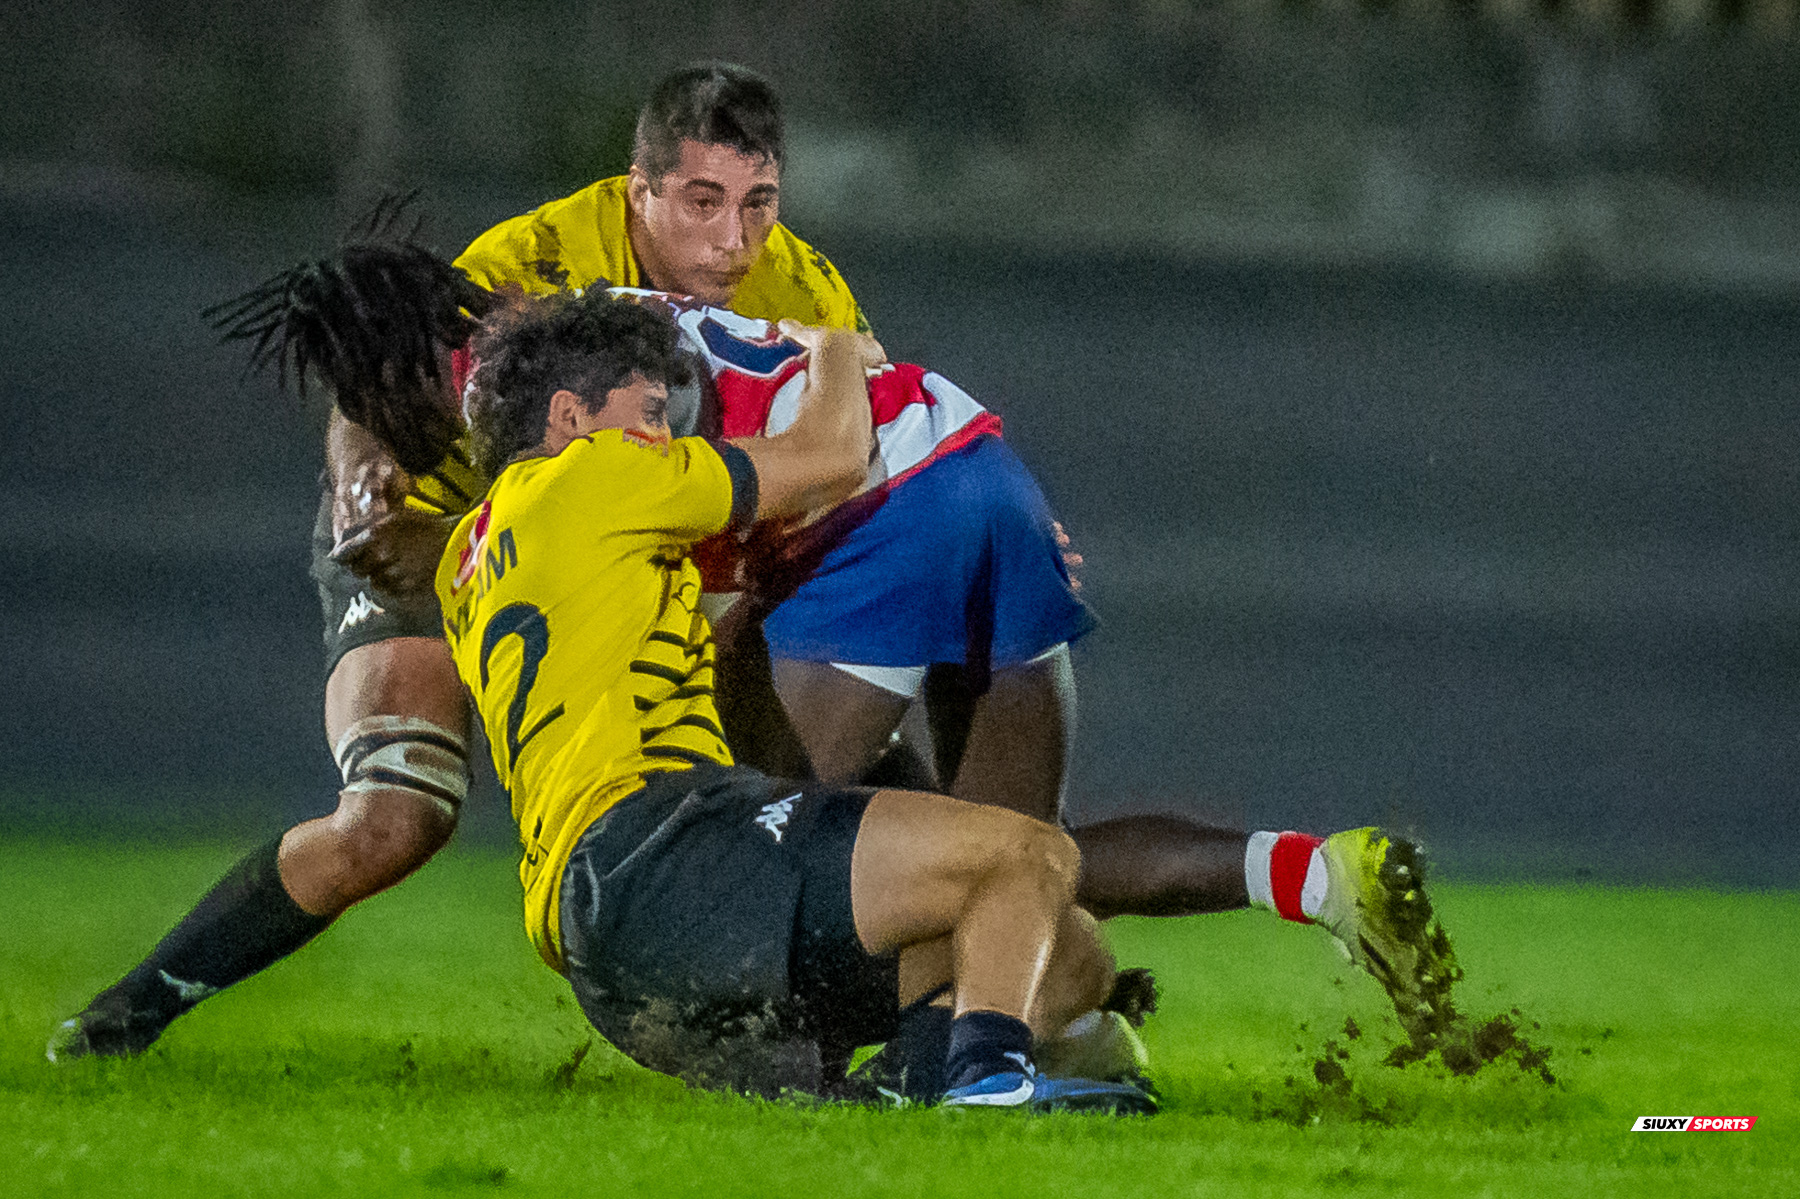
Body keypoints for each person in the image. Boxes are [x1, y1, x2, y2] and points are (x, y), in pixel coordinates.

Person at [439, 286, 1155, 1112]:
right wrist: (838, 348)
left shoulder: (469, 556)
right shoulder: (597, 475)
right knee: (1033, 853)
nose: (666, 434)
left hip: (598, 941)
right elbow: (835, 454)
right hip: (669, 848)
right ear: (567, 417)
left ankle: (905, 1090)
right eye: (647, 410)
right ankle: (987, 1087)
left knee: (1063, 950)